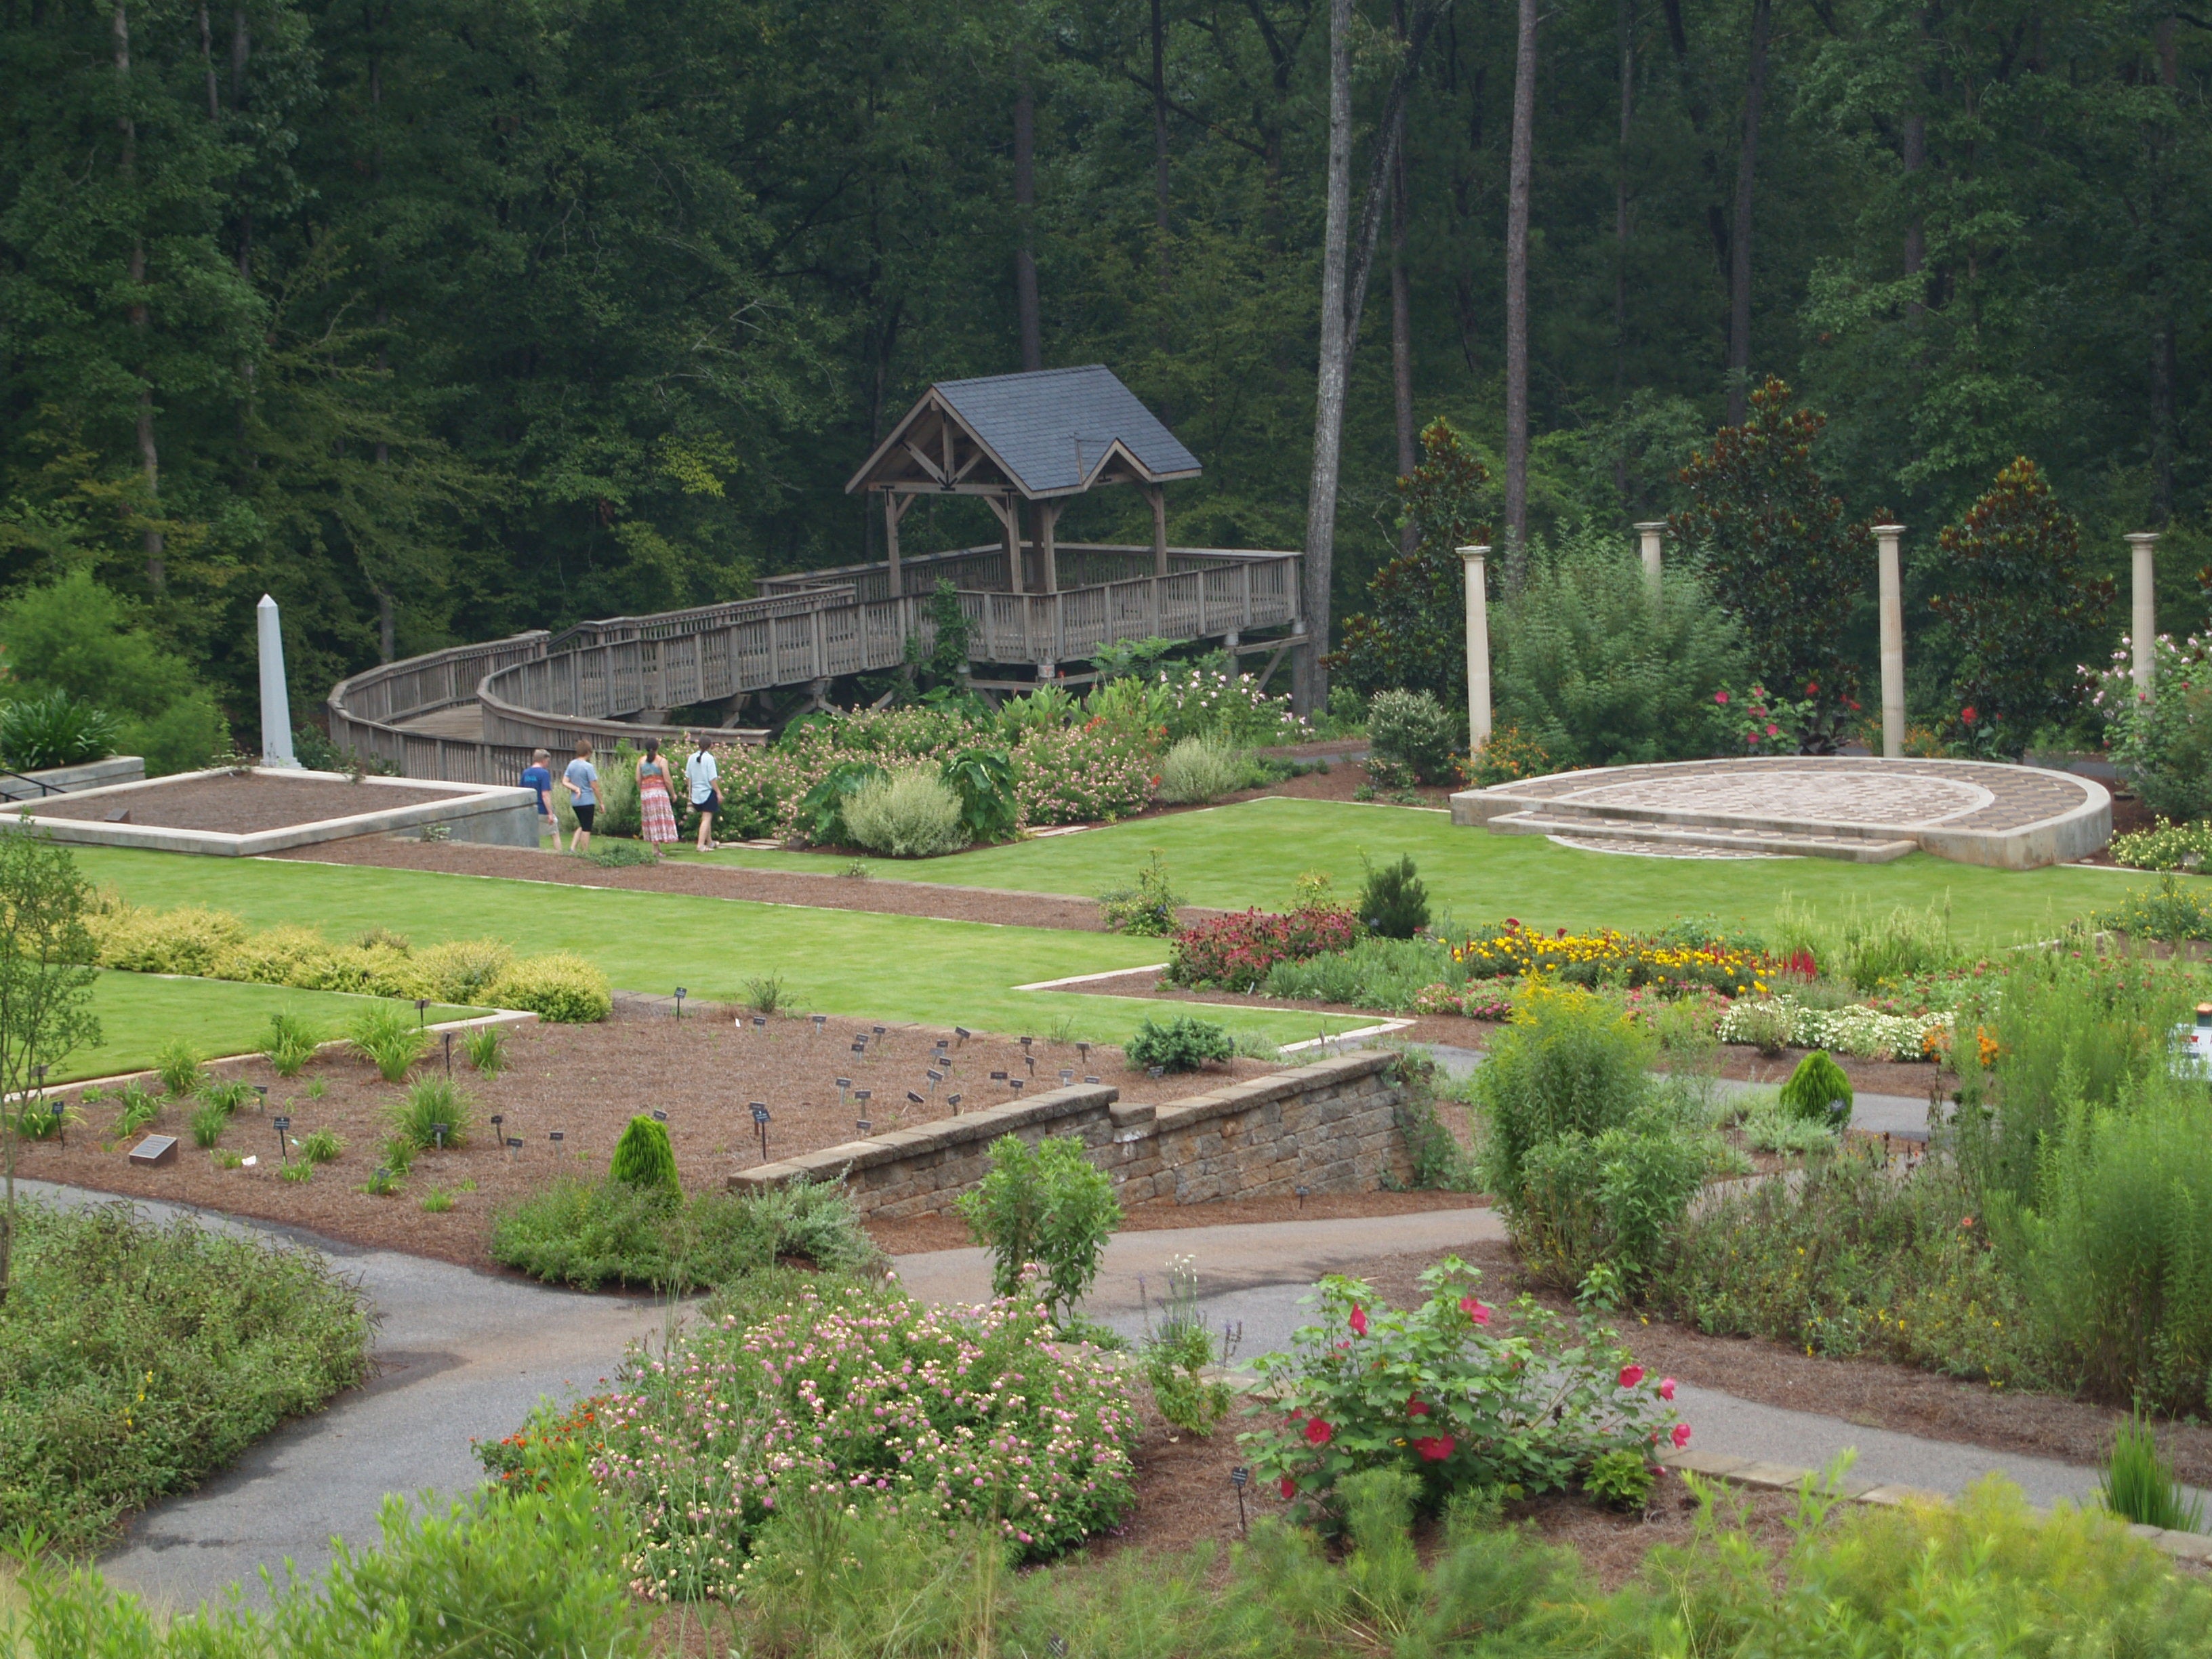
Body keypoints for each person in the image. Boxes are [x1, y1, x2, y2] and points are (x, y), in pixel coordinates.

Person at [636, 737, 679, 857]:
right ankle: (656, 849)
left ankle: (655, 847)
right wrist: (673, 793)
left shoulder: (641, 761)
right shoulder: (661, 761)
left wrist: (643, 789)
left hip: (646, 793)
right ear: (657, 747)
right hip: (659, 793)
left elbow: (638, 779)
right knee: (659, 819)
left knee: (651, 820)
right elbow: (668, 780)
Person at [684, 731, 720, 851]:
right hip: (707, 792)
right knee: (706, 818)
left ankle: (709, 842)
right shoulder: (709, 759)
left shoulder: (691, 757)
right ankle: (700, 845)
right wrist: (719, 793)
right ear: (710, 746)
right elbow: (712, 779)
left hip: (695, 793)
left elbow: (688, 778)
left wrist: (690, 792)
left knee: (706, 817)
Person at [562, 739, 599, 853]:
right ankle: (585, 852)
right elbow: (594, 786)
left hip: (575, 801)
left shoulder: (572, 764)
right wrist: (601, 802)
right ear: (588, 752)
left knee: (582, 824)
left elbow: (564, 781)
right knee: (587, 828)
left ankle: (572, 848)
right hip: (587, 800)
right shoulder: (588, 767)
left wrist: (575, 788)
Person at [520, 748, 555, 842]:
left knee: (530, 834)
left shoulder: (526, 773)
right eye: (548, 761)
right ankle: (560, 855)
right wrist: (550, 813)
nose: (548, 764)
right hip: (542, 809)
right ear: (543, 760)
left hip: (529, 809)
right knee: (555, 832)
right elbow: (545, 794)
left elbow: (522, 791)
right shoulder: (544, 773)